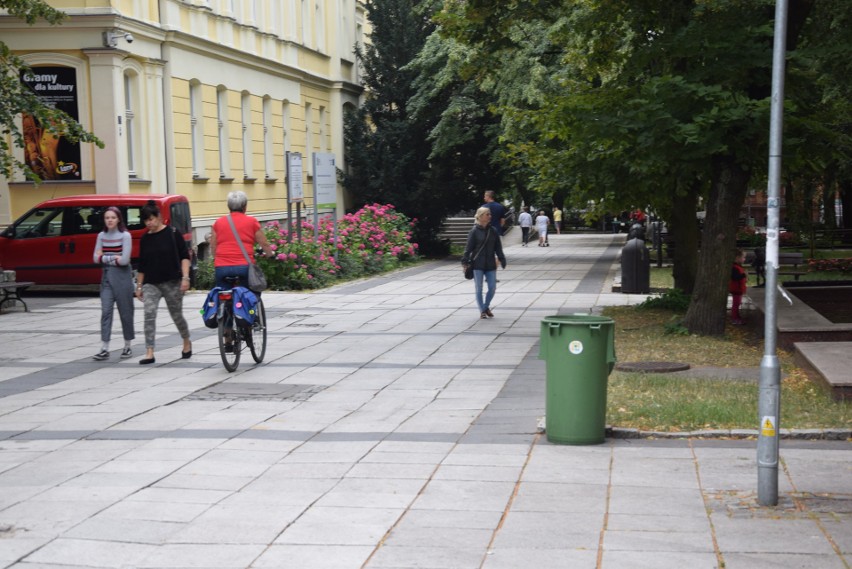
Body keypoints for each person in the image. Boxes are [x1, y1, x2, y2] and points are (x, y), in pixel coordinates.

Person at [135, 200, 192, 365]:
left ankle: (186, 340)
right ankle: (149, 351)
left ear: (159, 217)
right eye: (146, 221)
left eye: (151, 219)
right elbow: (142, 264)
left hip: (172, 281)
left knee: (176, 315)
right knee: (149, 314)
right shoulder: (145, 238)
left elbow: (184, 257)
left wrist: (185, 278)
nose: (149, 223)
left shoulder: (173, 233)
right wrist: (139, 286)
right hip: (151, 283)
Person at [92, 207, 135, 361]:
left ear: (118, 219)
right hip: (107, 278)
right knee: (106, 311)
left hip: (123, 278)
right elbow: (95, 258)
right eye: (107, 218)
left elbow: (125, 260)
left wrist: (105, 256)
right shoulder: (101, 236)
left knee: (126, 312)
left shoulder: (125, 236)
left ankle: (127, 345)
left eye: (113, 217)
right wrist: (114, 256)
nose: (109, 220)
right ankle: (104, 347)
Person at [209, 190, 274, 289]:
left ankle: (222, 304)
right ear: (245, 206)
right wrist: (270, 255)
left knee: (222, 292)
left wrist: (215, 258)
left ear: (229, 206)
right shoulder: (251, 222)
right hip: (244, 267)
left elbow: (213, 245)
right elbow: (264, 243)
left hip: (222, 267)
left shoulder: (218, 223)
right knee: (251, 292)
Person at [461, 207, 506, 319]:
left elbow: (498, 247)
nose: (490, 216)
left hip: (490, 263)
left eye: (490, 214)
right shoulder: (474, 231)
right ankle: (482, 310)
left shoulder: (493, 231)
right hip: (477, 264)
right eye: (487, 214)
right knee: (479, 288)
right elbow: (468, 248)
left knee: (492, 288)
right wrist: (465, 262)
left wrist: (501, 258)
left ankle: (485, 307)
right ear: (480, 216)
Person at [729, 249, 748, 325]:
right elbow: (735, 277)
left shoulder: (738, 267)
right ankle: (735, 318)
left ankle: (737, 317)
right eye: (743, 257)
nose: (744, 259)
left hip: (739, 289)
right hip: (736, 289)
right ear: (737, 258)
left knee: (737, 303)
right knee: (736, 304)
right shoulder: (735, 268)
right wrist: (744, 275)